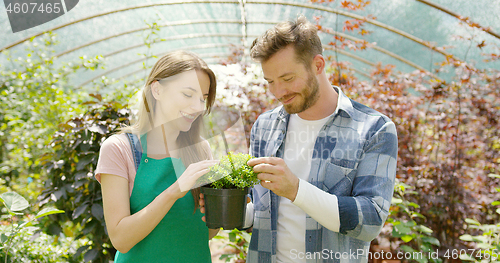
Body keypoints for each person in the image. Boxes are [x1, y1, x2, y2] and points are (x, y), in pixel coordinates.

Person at [245, 16, 398, 263]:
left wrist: (296, 190)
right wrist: (224, 206)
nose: (278, 92)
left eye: (287, 79)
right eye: (271, 82)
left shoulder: (374, 129)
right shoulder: (264, 127)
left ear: (318, 65)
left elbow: (370, 221)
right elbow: (262, 210)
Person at [94, 50, 220, 262]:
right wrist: (174, 191)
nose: (198, 107)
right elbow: (121, 240)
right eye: (188, 95)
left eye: (203, 98)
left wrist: (224, 207)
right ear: (157, 89)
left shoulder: (200, 149)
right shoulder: (119, 149)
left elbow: (203, 233)